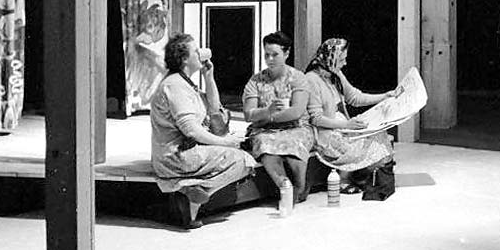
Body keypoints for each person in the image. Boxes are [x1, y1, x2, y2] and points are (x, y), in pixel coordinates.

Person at [150, 33, 257, 227]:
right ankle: (193, 194)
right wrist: (225, 142)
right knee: (244, 161)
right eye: (195, 51)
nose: (200, 53)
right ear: (184, 59)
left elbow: (214, 109)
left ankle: (193, 192)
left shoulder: (184, 83)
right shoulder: (175, 85)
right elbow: (190, 130)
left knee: (241, 156)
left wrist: (209, 77)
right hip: (176, 156)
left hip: (185, 152)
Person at [305, 38, 397, 194]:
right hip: (326, 133)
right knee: (360, 141)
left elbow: (355, 97)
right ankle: (344, 179)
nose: (345, 63)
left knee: (378, 133)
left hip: (343, 126)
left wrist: (384, 96)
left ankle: (368, 174)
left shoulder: (335, 74)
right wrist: (347, 125)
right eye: (341, 59)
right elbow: (316, 118)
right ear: (330, 58)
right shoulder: (311, 79)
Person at [242, 31, 314, 203]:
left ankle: (300, 186)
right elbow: (248, 114)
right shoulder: (256, 81)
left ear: (286, 53)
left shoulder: (297, 78)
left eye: (275, 54)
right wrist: (267, 110)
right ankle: (285, 186)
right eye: (267, 55)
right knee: (265, 146)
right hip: (264, 130)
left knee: (294, 143)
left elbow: (296, 111)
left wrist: (269, 117)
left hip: (295, 126)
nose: (270, 59)